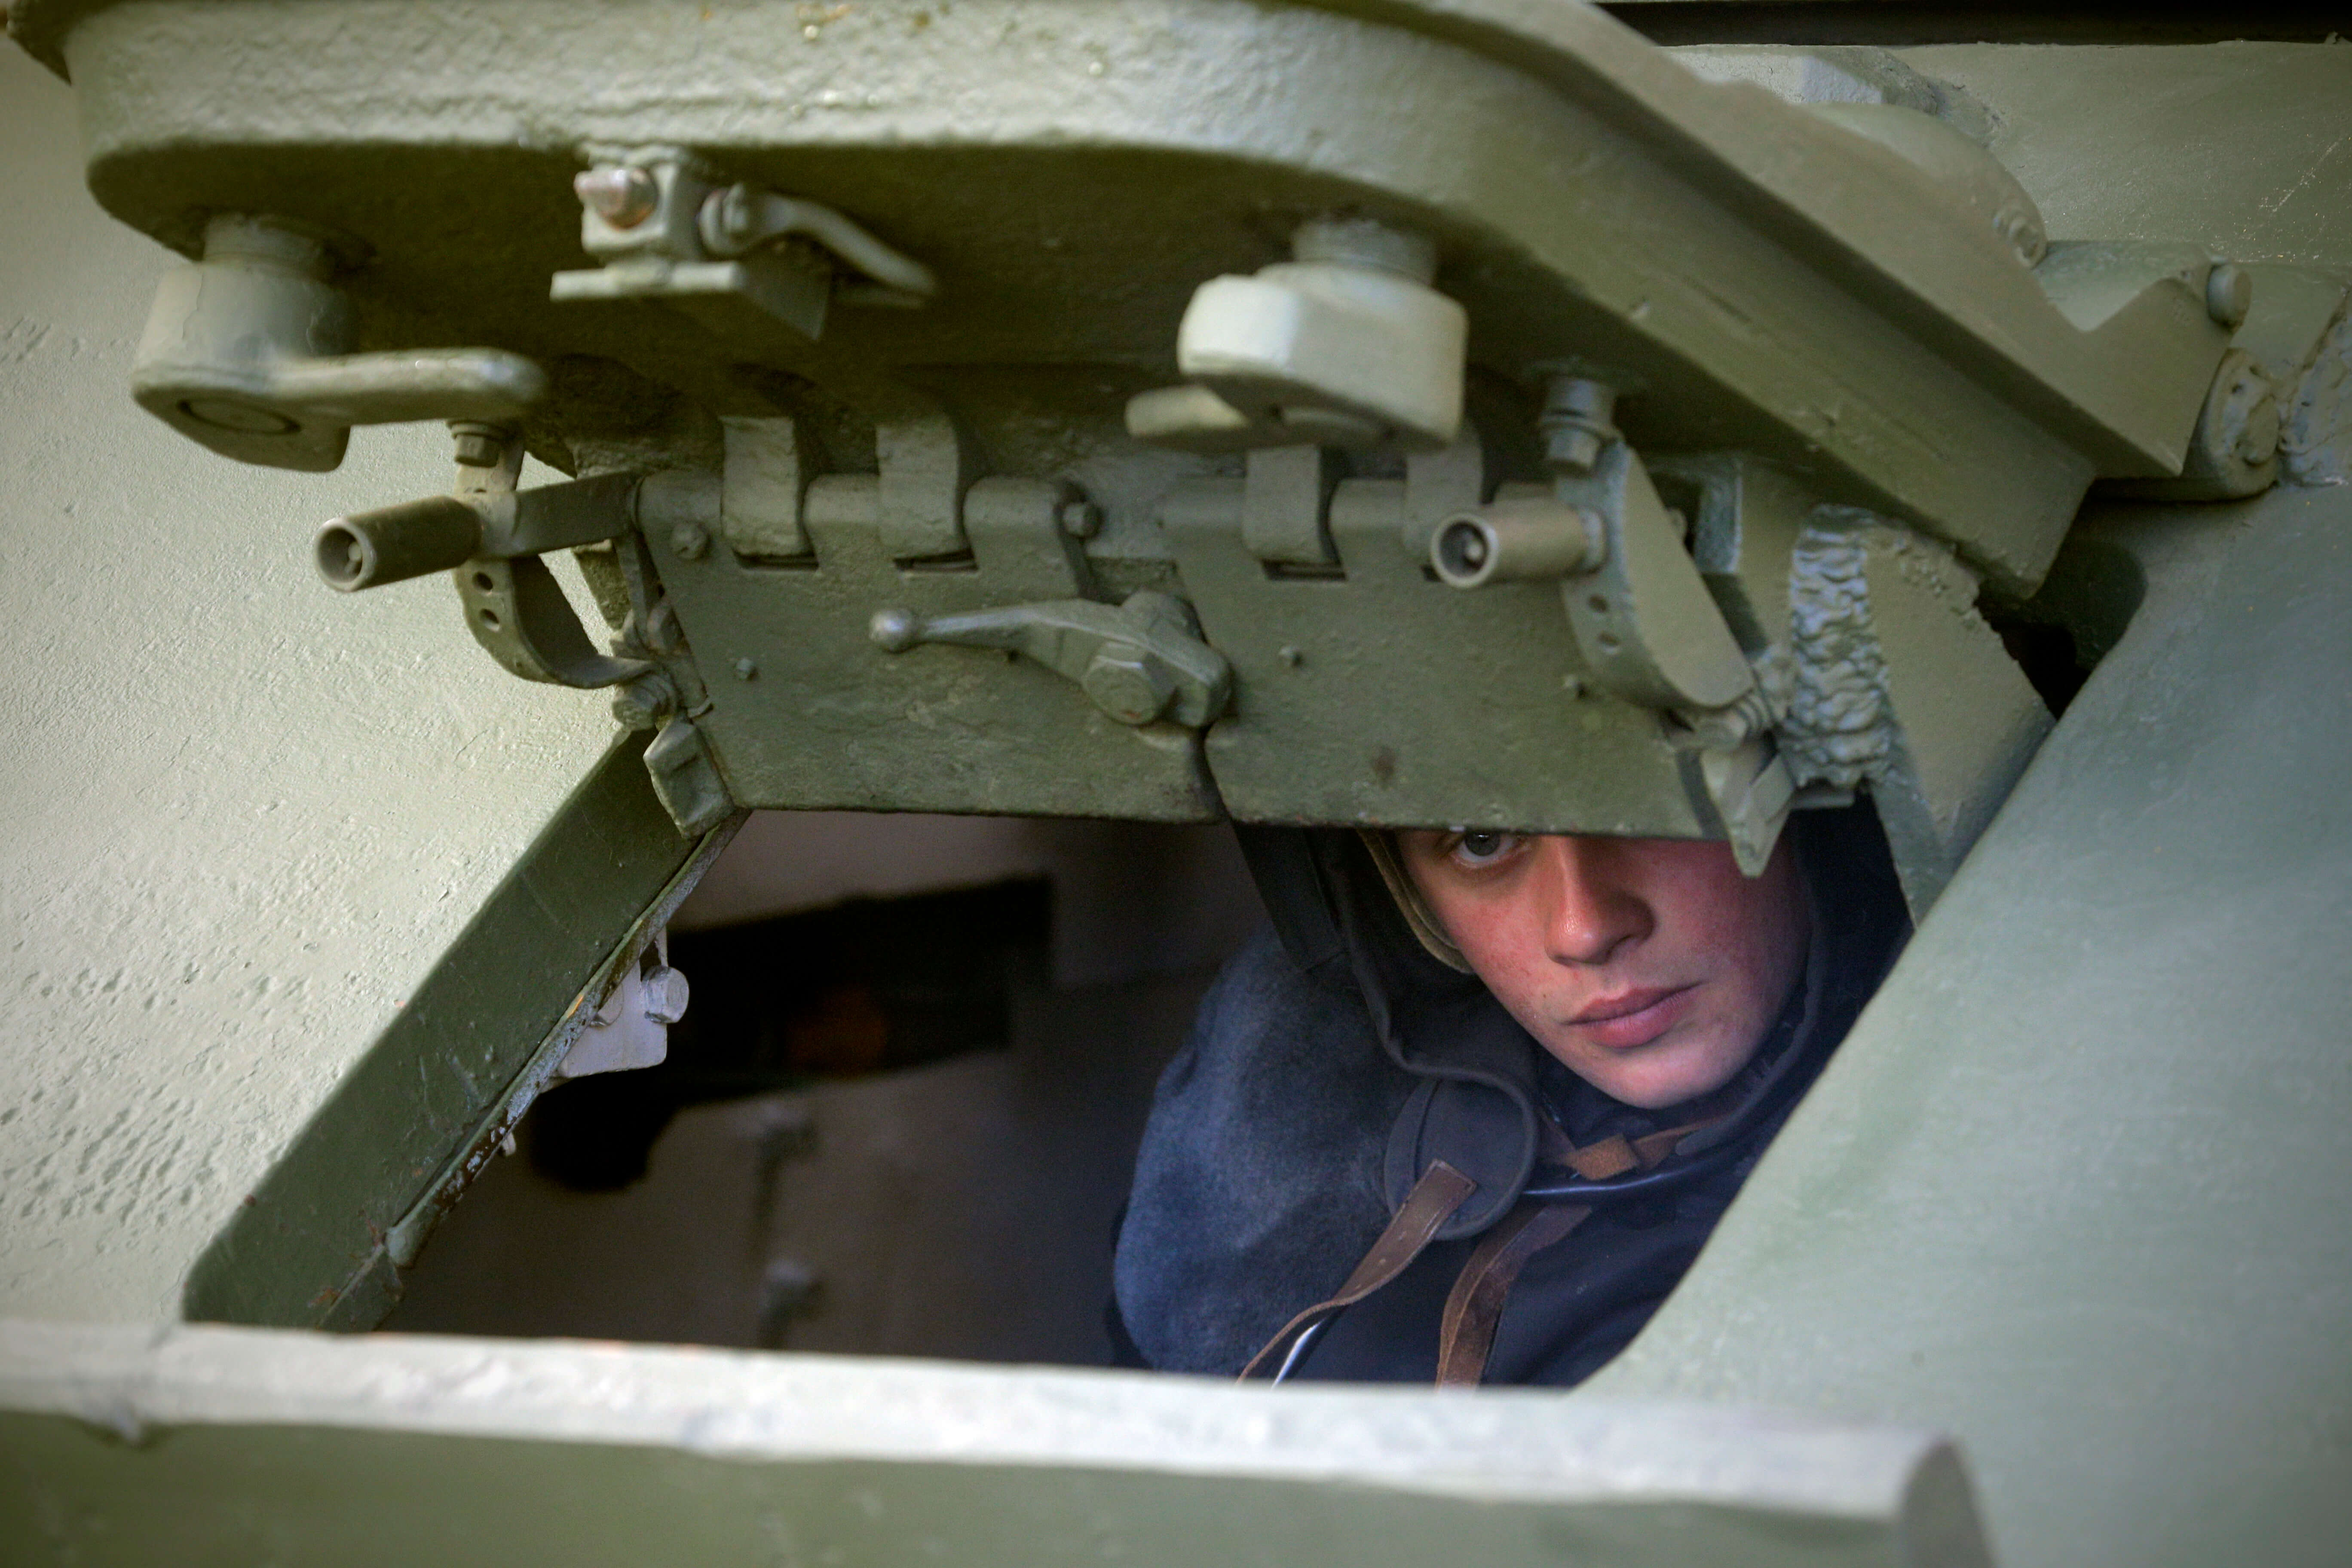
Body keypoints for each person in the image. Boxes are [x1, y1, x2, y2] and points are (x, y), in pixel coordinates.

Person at [1109, 803, 1909, 1386]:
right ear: (1408, 898)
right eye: (1483, 841)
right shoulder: (1286, 1122)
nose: (1585, 927)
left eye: (1649, 805)